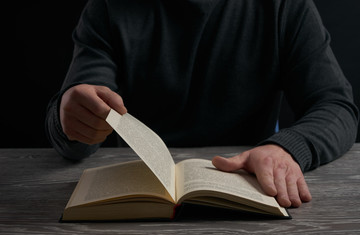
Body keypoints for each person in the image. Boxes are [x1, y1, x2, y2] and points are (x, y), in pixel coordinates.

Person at [46, 0, 359, 208]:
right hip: (137, 201)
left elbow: (336, 105)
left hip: (248, 199)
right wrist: (68, 120)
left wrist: (285, 149)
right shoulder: (108, 7)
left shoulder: (283, 5)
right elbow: (78, 119)